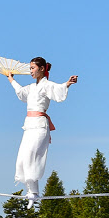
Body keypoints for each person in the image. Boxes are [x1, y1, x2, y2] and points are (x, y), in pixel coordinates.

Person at [7, 57, 78, 207]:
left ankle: (33, 193)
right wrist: (11, 79)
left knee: (31, 156)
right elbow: (20, 93)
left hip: (40, 127)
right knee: (22, 158)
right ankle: (32, 192)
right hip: (28, 126)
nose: (31, 71)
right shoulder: (31, 88)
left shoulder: (46, 85)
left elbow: (58, 90)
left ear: (41, 69)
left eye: (33, 68)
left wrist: (68, 83)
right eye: (30, 68)